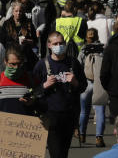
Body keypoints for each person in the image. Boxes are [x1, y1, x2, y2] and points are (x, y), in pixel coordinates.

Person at [31, 30, 87, 158]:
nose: (59, 46)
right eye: (55, 43)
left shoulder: (73, 63)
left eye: (61, 43)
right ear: (49, 45)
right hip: (50, 115)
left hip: (69, 114)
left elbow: (83, 87)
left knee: (64, 152)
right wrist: (45, 85)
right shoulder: (41, 65)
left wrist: (75, 82)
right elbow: (32, 90)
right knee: (56, 153)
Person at [79, 28, 107, 147]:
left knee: (84, 111)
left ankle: (82, 134)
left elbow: (78, 65)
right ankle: (99, 138)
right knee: (100, 111)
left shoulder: (84, 49)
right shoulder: (104, 49)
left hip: (87, 82)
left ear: (86, 37)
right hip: (100, 83)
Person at [0, 46, 34, 115]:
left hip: (25, 124)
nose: (16, 68)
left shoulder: (30, 79)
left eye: (19, 64)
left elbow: (40, 102)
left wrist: (32, 101)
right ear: (5, 62)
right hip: (2, 124)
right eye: (13, 64)